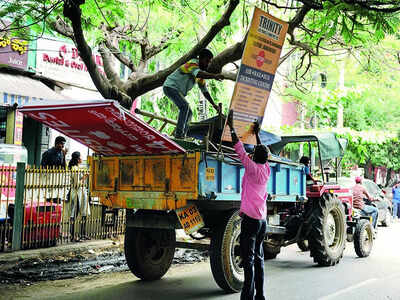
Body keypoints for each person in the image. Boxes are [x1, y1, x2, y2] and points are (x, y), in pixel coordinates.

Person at [227, 110, 271, 300]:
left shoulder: (252, 168)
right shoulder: (266, 169)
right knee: (259, 260)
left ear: (254, 157)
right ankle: (259, 296)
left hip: (251, 221)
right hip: (262, 222)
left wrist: (230, 126)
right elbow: (261, 152)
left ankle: (247, 297)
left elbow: (239, 149)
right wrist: (257, 134)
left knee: (249, 260)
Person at [163, 49, 224, 139]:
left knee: (189, 112)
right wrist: (214, 76)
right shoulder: (192, 64)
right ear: (200, 58)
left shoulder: (200, 74)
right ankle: (178, 134)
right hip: (170, 87)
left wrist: (214, 104)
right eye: (206, 61)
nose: (207, 64)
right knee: (185, 107)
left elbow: (205, 91)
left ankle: (183, 134)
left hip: (176, 90)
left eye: (209, 62)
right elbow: (198, 73)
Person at [69, 151, 90, 242]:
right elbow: (77, 184)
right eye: (81, 157)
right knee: (75, 213)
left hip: (82, 193)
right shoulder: (74, 169)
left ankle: (82, 234)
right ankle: (73, 235)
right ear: (78, 159)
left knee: (84, 213)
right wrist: (85, 177)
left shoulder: (77, 168)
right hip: (77, 193)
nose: (82, 159)